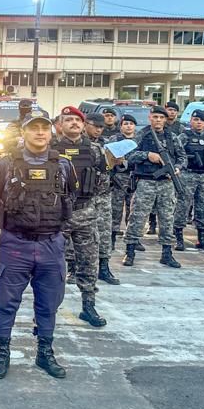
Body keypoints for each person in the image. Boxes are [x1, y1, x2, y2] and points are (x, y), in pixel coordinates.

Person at [0, 109, 78, 380]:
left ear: (51, 132)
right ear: (23, 132)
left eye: (44, 128)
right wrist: (12, 217)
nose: (40, 133)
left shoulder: (62, 164)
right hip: (16, 245)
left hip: (51, 244)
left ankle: (44, 352)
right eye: (34, 128)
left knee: (49, 304)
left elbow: (71, 195)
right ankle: (2, 353)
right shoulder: (6, 163)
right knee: (6, 302)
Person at [54, 106, 108, 327]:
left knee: (89, 262)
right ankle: (49, 307)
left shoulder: (95, 150)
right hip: (58, 215)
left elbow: (104, 182)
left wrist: (95, 202)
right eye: (68, 120)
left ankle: (88, 306)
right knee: (53, 265)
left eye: (77, 120)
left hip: (86, 213)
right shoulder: (51, 148)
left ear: (83, 124)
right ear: (60, 125)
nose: (73, 123)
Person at [122, 106, 186, 268]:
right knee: (137, 217)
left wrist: (178, 167)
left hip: (166, 183)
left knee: (167, 218)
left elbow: (182, 157)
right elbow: (128, 155)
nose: (158, 120)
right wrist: (147, 155)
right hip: (146, 182)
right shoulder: (141, 135)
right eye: (155, 117)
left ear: (165, 120)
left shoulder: (172, 137)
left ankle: (167, 253)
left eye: (161, 118)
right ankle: (130, 251)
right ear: (150, 118)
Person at [84, 113, 120, 288]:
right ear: (86, 124)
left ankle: (104, 267)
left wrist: (118, 161)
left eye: (101, 127)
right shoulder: (79, 144)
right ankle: (74, 267)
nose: (98, 130)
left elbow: (113, 167)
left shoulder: (106, 144)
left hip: (104, 194)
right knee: (80, 234)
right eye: (95, 126)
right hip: (83, 196)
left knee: (104, 232)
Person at [174, 109, 204, 253]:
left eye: (201, 120)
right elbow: (176, 153)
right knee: (183, 205)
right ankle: (178, 236)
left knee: (203, 207)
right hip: (188, 174)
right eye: (196, 120)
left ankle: (202, 238)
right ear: (191, 121)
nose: (198, 123)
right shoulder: (184, 136)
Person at [108, 113, 138, 249]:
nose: (128, 126)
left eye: (131, 124)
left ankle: (133, 238)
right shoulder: (115, 139)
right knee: (116, 209)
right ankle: (112, 238)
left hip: (135, 177)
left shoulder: (139, 140)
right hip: (118, 178)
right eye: (125, 124)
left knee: (134, 209)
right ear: (121, 127)